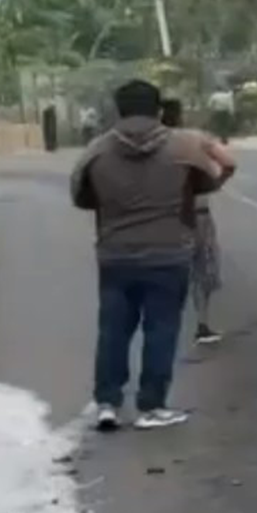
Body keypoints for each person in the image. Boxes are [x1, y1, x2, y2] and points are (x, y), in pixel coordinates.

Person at [72, 80, 224, 431]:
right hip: (169, 253)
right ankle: (151, 406)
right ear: (158, 110)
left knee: (112, 330)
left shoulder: (96, 151)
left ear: (118, 111)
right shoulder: (183, 147)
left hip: (115, 255)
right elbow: (210, 181)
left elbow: (80, 196)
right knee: (161, 329)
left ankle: (107, 402)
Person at [160, 98, 236, 345]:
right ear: (180, 115)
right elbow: (229, 163)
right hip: (198, 213)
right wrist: (213, 184)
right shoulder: (195, 138)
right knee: (203, 269)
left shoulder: (148, 144)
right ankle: (202, 323)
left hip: (162, 216)